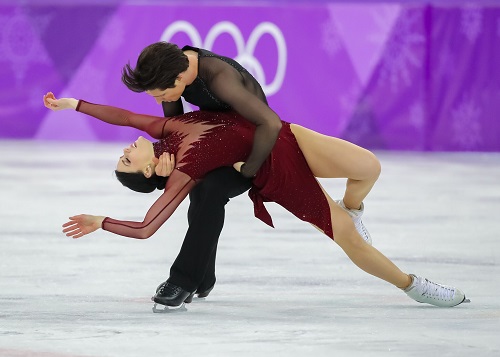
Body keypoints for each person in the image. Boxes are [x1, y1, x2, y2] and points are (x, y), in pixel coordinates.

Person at [43, 92, 469, 309]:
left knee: (369, 168)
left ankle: (354, 210)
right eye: (125, 160)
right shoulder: (185, 171)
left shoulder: (166, 127)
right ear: (152, 171)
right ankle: (416, 287)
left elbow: (123, 115)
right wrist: (102, 222)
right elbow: (147, 226)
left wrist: (72, 104)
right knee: (350, 242)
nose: (125, 148)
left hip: (285, 135)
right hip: (276, 170)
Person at [118, 42, 373, 307]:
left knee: (209, 190)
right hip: (218, 144)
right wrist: (169, 163)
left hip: (255, 151)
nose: (160, 101)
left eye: (161, 95)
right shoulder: (171, 75)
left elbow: (270, 122)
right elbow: (176, 127)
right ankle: (203, 278)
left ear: (179, 77)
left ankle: (183, 280)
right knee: (201, 190)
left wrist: (249, 168)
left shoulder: (219, 78)